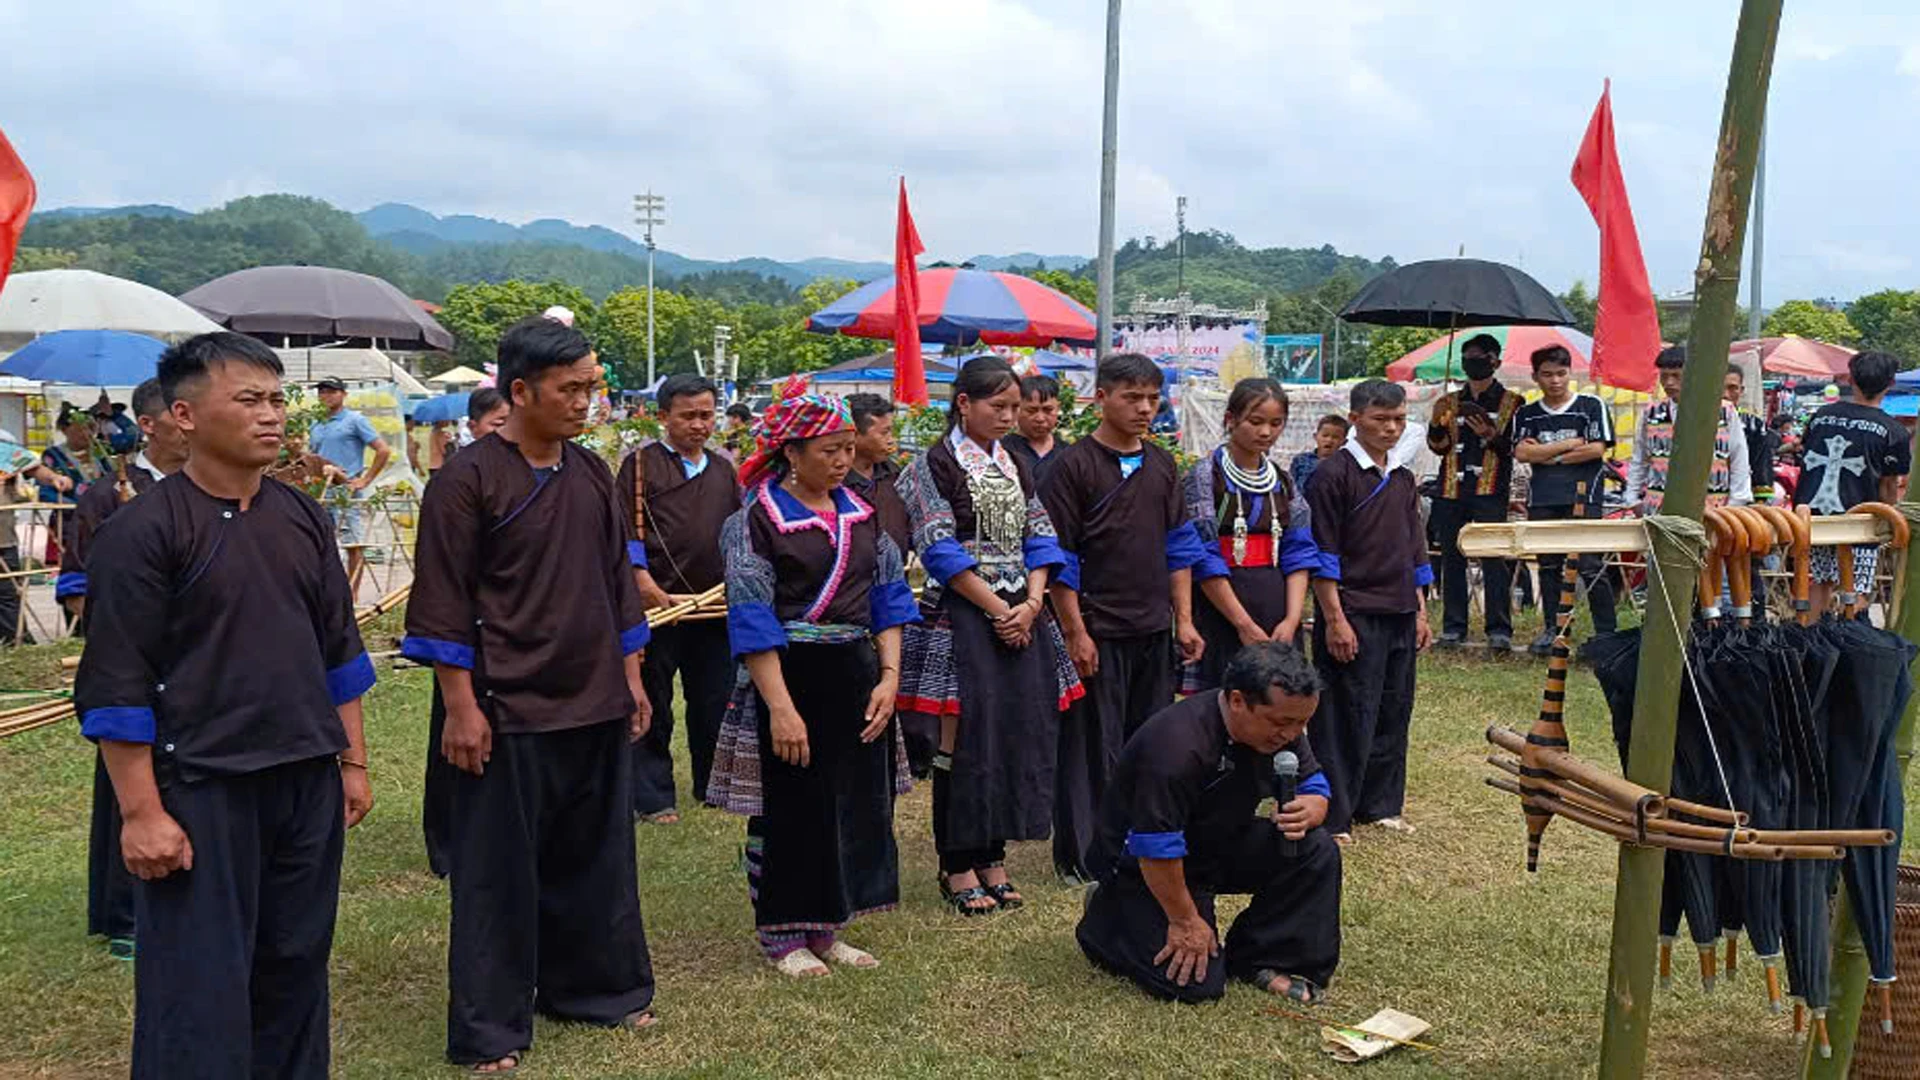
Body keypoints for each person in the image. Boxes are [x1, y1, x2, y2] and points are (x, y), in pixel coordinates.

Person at [74, 332, 376, 1079]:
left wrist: (353, 761)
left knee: (295, 966)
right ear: (183, 415)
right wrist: (143, 814)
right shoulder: (142, 533)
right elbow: (118, 686)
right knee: (197, 985)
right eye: (248, 400)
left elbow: (339, 652)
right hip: (201, 786)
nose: (271, 417)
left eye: (277, 400)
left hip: (305, 778)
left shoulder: (302, 518)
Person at [403, 317, 657, 1072]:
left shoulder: (588, 472)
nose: (586, 404)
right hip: (506, 705)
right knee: (496, 874)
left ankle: (597, 992)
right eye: (570, 389)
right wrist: (460, 706)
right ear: (519, 391)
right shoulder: (467, 480)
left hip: (594, 695)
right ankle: (491, 1028)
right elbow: (444, 599)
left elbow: (617, 582)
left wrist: (633, 676)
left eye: (592, 389)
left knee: (597, 857)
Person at [705, 378, 919, 976]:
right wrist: (780, 708)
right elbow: (751, 620)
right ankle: (781, 933)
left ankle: (829, 925)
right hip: (791, 675)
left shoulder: (864, 515)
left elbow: (890, 600)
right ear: (791, 453)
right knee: (791, 804)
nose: (844, 460)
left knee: (850, 802)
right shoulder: (756, 522)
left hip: (855, 673)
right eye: (829, 449)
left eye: (848, 447)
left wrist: (889, 676)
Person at [894, 356, 1080, 916]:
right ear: (963, 404)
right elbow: (937, 545)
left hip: (1022, 606)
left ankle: (993, 854)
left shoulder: (1016, 462)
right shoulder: (931, 465)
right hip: (963, 612)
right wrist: (1003, 607)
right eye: (997, 407)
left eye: (1014, 408)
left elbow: (1042, 533)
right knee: (963, 737)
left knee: (1015, 729)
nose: (1008, 417)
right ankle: (956, 862)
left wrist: (1031, 601)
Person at [1075, 641, 1340, 1003]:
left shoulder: (1284, 727)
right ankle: (1106, 921)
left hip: (1218, 842)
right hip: (1143, 865)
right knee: (1197, 986)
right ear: (1236, 701)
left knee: (1317, 849)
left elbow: (1314, 784)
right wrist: (1185, 920)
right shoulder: (1175, 746)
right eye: (1281, 723)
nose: (1291, 734)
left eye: (1302, 723)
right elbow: (1155, 846)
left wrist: (1313, 806)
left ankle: (1264, 956)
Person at [1041, 352, 1217, 883]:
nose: (1144, 408)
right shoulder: (1070, 467)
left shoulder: (1163, 464)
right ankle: (1085, 856)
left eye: (1152, 398)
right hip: (1097, 627)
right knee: (1092, 746)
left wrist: (1184, 619)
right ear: (1101, 398)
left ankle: (1143, 843)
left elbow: (1179, 546)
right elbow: (1058, 559)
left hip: (1151, 627)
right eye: (1131, 397)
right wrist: (1075, 631)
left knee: (1150, 740)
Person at [61, 379, 190, 958]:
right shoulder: (108, 493)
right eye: (177, 417)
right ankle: (126, 917)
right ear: (150, 423)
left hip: (198, 667)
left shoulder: (206, 487)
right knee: (129, 781)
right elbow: (77, 588)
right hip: (133, 664)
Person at [1308, 379, 1433, 842]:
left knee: (1392, 709)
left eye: (1399, 419)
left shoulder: (1401, 475)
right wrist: (1334, 618)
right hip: (1353, 610)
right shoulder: (1332, 475)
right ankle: (1335, 811)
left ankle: (1380, 804)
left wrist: (1420, 610)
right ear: (1355, 419)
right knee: (1344, 713)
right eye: (1381, 419)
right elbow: (1323, 554)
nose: (1392, 428)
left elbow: (1414, 547)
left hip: (1400, 607)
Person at [615, 373, 740, 825]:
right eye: (688, 416)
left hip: (714, 605)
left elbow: (737, 529)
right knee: (654, 700)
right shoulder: (641, 465)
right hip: (658, 604)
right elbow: (623, 528)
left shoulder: (724, 467)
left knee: (715, 698)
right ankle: (651, 796)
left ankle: (715, 784)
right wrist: (642, 580)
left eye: (706, 415)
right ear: (663, 417)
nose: (699, 425)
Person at [1182, 378, 1319, 683]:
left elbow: (1298, 550)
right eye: (1255, 422)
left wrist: (1292, 619)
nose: (1266, 432)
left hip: (1277, 608)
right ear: (1230, 420)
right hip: (1223, 610)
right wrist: (1242, 623)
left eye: (1276, 423)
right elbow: (1203, 554)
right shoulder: (1205, 476)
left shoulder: (1283, 481)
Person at [1511, 345, 1617, 654]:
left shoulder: (1590, 405)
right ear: (1535, 377)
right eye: (1547, 374)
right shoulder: (1527, 414)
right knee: (1548, 565)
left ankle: (1606, 633)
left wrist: (1544, 454)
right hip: (1542, 497)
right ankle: (1554, 629)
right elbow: (1522, 453)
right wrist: (1569, 445)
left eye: (1561, 373)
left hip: (1585, 494)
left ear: (1570, 373)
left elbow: (1597, 450)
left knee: (1590, 564)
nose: (1555, 381)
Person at [1424, 334, 1523, 651]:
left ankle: (1499, 629)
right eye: (1467, 356)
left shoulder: (1513, 403)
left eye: (1480, 356)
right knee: (1452, 558)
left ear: (1495, 361)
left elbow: (1517, 451)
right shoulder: (1447, 402)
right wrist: (1438, 426)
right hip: (1451, 488)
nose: (1473, 362)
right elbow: (1438, 448)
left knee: (1494, 558)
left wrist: (1491, 436)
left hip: (1491, 490)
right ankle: (1454, 628)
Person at [1794, 350, 1911, 616]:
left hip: (1811, 518)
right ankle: (1850, 643)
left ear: (1851, 380)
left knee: (1817, 584)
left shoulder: (1821, 416)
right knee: (1855, 589)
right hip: (1859, 521)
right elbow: (1890, 485)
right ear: (1890, 384)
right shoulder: (1893, 431)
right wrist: (1888, 520)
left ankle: (1809, 644)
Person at [1623, 345, 1752, 514]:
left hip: (1713, 508)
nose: (1669, 383)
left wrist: (1735, 504)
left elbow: (1739, 459)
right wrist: (1632, 499)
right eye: (1664, 376)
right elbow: (1639, 458)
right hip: (1658, 508)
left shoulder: (1723, 411)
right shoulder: (1651, 413)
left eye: (1677, 376)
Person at [308, 377, 393, 588]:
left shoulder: (355, 420)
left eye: (331, 391)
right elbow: (313, 455)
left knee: (352, 543)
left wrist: (365, 479)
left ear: (344, 394)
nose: (325, 396)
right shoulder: (315, 423)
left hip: (345, 490)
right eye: (322, 392)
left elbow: (383, 450)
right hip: (321, 489)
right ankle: (327, 591)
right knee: (320, 542)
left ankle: (352, 594)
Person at [842, 392, 911, 554]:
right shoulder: (833, 482)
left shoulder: (894, 475)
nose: (891, 440)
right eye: (884, 432)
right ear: (855, 435)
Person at [1001, 373, 1065, 484]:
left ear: (1057, 408)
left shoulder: (1068, 454)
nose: (1040, 418)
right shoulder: (1002, 451)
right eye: (1031, 411)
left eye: (1048, 410)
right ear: (1017, 409)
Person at [1724, 365, 1775, 503]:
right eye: (1720, 387)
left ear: (1741, 390)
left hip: (1740, 501)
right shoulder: (1698, 422)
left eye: (1732, 388)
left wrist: (1760, 502)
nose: (1725, 394)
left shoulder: (1754, 424)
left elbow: (1762, 465)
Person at [1288, 414, 1348, 496]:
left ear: (1344, 442)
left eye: (1335, 437)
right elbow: (1291, 487)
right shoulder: (1301, 460)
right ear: (1315, 436)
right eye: (1325, 435)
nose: (1329, 440)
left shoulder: (1345, 465)